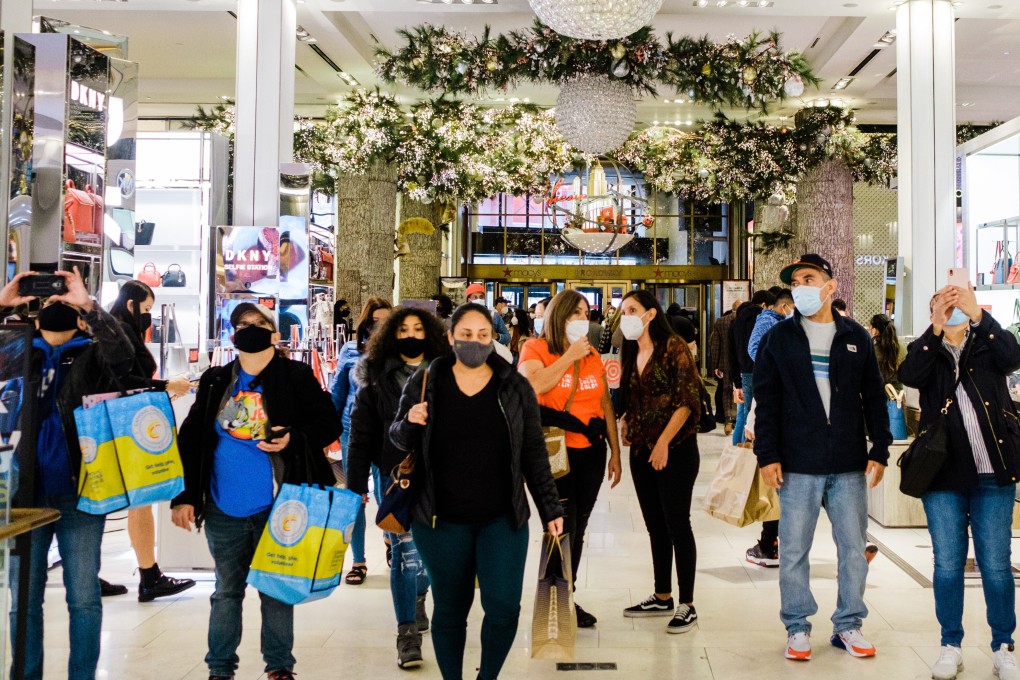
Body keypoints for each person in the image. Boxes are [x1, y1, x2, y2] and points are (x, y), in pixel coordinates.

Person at [389, 303, 564, 680]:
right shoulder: (426, 381)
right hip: (439, 520)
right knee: (450, 607)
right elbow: (397, 440)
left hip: (502, 518)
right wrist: (410, 422)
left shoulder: (514, 386)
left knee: (503, 607)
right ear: (451, 338)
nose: (474, 342)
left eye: (482, 335)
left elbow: (533, 450)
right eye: (465, 335)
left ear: (493, 339)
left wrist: (551, 508)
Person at [171, 302, 341, 680]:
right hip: (222, 506)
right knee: (226, 591)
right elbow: (193, 439)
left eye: (258, 323)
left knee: (276, 588)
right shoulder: (217, 380)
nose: (250, 329)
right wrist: (184, 495)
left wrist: (294, 439)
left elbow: (327, 423)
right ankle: (219, 668)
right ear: (233, 335)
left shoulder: (295, 376)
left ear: (274, 333)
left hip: (279, 505)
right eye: (242, 324)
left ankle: (279, 667)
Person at [753, 254, 890, 662]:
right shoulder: (780, 338)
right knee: (793, 550)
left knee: (853, 548)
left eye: (808, 278)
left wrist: (880, 449)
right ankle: (797, 626)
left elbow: (874, 397)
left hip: (848, 463)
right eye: (795, 281)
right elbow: (768, 399)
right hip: (798, 463)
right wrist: (767, 454)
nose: (800, 287)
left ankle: (848, 624)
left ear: (830, 286)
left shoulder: (855, 337)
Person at [8, 268, 137, 680]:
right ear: (34, 309)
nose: (56, 304)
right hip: (24, 490)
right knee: (22, 599)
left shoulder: (94, 355)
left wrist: (89, 305)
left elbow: (126, 355)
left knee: (83, 597)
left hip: (82, 489)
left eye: (64, 300)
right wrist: (3, 303)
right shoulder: (15, 349)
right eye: (48, 300)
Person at [899, 285, 1020, 680]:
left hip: (993, 471)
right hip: (943, 475)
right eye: (942, 304)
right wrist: (933, 331)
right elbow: (909, 374)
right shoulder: (927, 351)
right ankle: (951, 645)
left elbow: (1012, 356)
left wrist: (982, 317)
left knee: (997, 565)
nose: (951, 310)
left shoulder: (987, 344)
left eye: (957, 304)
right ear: (932, 310)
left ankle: (1003, 646)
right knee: (948, 565)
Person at [346, 307, 450, 669]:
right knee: (405, 557)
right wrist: (356, 485)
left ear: (431, 333)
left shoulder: (449, 371)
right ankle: (407, 633)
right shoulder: (375, 375)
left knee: (428, 558)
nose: (411, 335)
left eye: (418, 328)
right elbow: (360, 434)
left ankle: (420, 596)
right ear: (391, 333)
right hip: (398, 477)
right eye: (403, 328)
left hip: (443, 479)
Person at [518, 290, 622, 629]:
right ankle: (554, 602)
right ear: (558, 317)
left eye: (584, 312)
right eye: (573, 313)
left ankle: (567, 596)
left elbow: (605, 404)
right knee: (561, 525)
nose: (581, 319)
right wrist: (568, 357)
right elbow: (533, 384)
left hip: (591, 450)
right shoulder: (535, 348)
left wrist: (616, 452)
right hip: (553, 449)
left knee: (579, 526)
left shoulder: (592, 355)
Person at [101, 280, 196, 601]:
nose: (148, 317)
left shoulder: (116, 330)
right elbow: (125, 380)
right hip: (124, 422)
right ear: (131, 305)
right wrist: (166, 384)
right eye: (146, 309)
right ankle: (148, 575)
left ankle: (144, 573)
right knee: (140, 501)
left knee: (135, 502)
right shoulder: (119, 333)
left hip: (122, 421)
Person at [616, 290, 702, 635]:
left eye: (632, 309)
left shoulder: (674, 347)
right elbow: (631, 395)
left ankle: (688, 603)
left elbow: (688, 399)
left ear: (650, 314)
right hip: (641, 449)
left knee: (677, 523)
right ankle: (662, 594)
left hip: (676, 448)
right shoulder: (631, 349)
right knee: (655, 525)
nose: (626, 316)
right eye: (623, 311)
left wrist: (664, 441)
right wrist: (625, 420)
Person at [330, 298, 392, 585]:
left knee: (385, 493)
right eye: (375, 321)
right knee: (355, 497)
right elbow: (337, 392)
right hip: (350, 431)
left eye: (386, 320)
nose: (381, 326)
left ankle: (392, 540)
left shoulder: (398, 353)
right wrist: (325, 430)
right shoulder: (350, 351)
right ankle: (358, 560)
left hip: (387, 434)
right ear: (366, 324)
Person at [742, 288, 794, 569]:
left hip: (784, 427)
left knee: (777, 486)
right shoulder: (773, 328)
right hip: (786, 426)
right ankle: (770, 543)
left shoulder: (786, 331)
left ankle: (769, 545)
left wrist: (752, 421)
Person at [728, 290, 776, 445]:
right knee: (757, 416)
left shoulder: (736, 321)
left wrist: (737, 383)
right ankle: (752, 455)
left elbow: (731, 353)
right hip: (762, 371)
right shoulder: (764, 321)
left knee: (747, 415)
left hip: (745, 374)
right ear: (764, 305)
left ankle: (740, 451)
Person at [708, 301, 740, 435]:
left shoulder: (721, 322)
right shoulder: (746, 321)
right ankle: (740, 420)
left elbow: (715, 345)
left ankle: (728, 420)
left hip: (725, 362)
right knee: (743, 391)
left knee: (726, 391)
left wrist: (715, 366)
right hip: (741, 363)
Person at [870, 314, 906, 389]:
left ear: (875, 330)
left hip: (879, 394)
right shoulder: (902, 348)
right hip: (898, 394)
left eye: (871, 327)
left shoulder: (873, 350)